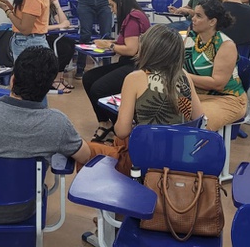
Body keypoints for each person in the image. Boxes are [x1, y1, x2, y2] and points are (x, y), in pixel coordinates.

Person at [0, 46, 92, 224]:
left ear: (12, 80)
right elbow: (85, 155)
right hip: (21, 210)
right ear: (48, 88)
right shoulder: (57, 123)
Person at [80, 25, 205, 176]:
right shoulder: (184, 75)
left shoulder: (135, 78)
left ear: (147, 49)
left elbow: (121, 131)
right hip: (180, 157)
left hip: (144, 160)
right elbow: (199, 119)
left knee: (85, 150)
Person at [83, 0, 150, 142]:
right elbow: (128, 42)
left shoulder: (133, 18)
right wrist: (110, 43)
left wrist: (110, 46)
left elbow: (131, 49)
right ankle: (104, 122)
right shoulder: (134, 15)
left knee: (99, 88)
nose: (112, 10)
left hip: (135, 66)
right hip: (128, 63)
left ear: (120, 3)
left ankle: (120, 125)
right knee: (89, 78)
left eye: (112, 5)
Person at [183, 0, 247, 132]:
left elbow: (218, 83)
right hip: (196, 94)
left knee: (199, 121)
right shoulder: (192, 36)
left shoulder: (225, 45)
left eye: (198, 16)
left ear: (212, 22)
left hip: (227, 98)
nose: (193, 19)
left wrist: (183, 75)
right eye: (194, 14)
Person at [43, 0, 77, 93]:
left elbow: (64, 22)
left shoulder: (52, 7)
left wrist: (57, 5)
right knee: (64, 48)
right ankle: (55, 80)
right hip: (42, 37)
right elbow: (41, 27)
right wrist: (59, 26)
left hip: (52, 36)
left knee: (71, 44)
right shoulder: (41, 7)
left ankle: (60, 77)